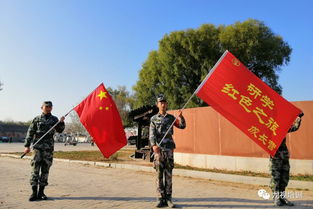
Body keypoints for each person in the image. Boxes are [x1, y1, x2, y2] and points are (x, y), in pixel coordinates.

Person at [149, 94, 186, 208]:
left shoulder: (171, 118)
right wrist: (154, 145)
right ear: (157, 104)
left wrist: (181, 117)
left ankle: (169, 198)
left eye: (165, 102)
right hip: (159, 151)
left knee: (168, 174)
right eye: (161, 102)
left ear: (167, 104)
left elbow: (182, 126)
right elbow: (151, 134)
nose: (163, 104)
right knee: (159, 174)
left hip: (169, 149)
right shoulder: (153, 119)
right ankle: (160, 198)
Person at [24, 101, 65, 201]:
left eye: (50, 107)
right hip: (37, 148)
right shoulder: (37, 119)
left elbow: (60, 130)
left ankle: (41, 192)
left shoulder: (54, 119)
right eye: (46, 106)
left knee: (45, 170)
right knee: (35, 170)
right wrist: (27, 145)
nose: (48, 108)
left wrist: (61, 122)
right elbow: (30, 132)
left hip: (48, 149)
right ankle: (34, 193)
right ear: (41, 107)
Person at [270, 113, 303, 206]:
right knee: (276, 176)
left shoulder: (281, 126)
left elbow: (294, 127)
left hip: (283, 153)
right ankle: (276, 197)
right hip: (274, 153)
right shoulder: (266, 126)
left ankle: (282, 197)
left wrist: (299, 118)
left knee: (284, 176)